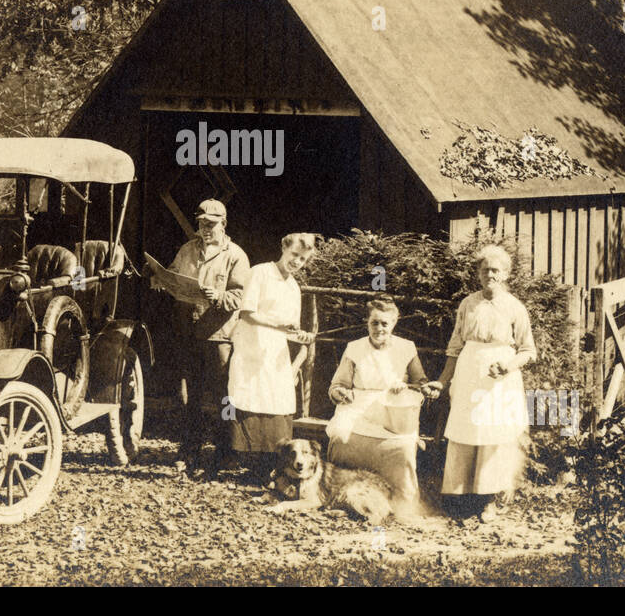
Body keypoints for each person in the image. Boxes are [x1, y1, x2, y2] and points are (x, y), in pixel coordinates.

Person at [424, 245, 536, 524]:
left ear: (506, 274)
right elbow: (454, 347)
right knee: (465, 433)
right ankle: (460, 499)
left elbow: (528, 350)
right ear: (477, 273)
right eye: (484, 269)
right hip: (469, 374)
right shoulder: (468, 303)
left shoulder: (515, 307)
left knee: (493, 437)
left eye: (495, 270)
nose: (490, 275)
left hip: (500, 379)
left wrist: (507, 366)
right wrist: (442, 381)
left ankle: (487, 501)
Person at [162, 199, 249, 481]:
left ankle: (225, 454)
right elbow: (174, 277)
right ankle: (189, 452)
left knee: (224, 396)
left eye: (211, 224)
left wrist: (220, 297)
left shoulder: (235, 255)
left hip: (218, 336)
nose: (205, 229)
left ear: (223, 224)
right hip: (188, 332)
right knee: (190, 397)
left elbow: (240, 296)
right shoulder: (187, 249)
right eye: (201, 223)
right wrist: (161, 280)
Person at [326, 296, 430, 512]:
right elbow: (337, 385)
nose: (379, 328)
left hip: (393, 410)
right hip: (358, 407)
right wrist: (342, 393)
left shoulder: (406, 347)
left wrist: (405, 386)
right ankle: (341, 495)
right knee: (341, 437)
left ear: (394, 323)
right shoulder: (354, 348)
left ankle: (401, 504)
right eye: (374, 322)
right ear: (367, 322)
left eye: (385, 323)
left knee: (401, 446)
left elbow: (421, 384)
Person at [227, 233, 317, 483]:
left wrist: (303, 337)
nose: (297, 262)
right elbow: (247, 313)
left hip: (276, 354)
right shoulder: (260, 273)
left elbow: (291, 330)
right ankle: (245, 464)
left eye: (302, 259)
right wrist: (279, 325)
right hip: (251, 348)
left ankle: (270, 467)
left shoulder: (294, 288)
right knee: (249, 398)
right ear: (283, 248)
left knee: (277, 403)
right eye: (294, 255)